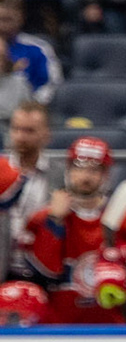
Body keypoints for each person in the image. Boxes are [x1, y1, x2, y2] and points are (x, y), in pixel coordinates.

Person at [20, 136, 126, 324]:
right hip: (60, 330)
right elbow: (44, 274)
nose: (86, 176)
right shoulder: (41, 218)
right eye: (79, 167)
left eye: (95, 169)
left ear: (106, 174)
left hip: (119, 327)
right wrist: (54, 222)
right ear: (68, 170)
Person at [3, 98, 52, 278]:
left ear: (46, 134)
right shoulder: (0, 170)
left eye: (29, 130)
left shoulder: (60, 176)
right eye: (16, 129)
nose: (20, 136)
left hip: (41, 270)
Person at [0, 0, 61, 107]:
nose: (6, 11)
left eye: (13, 7)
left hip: (28, 114)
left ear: (22, 16)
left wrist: (30, 106)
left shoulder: (38, 48)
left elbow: (53, 84)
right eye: (2, 6)